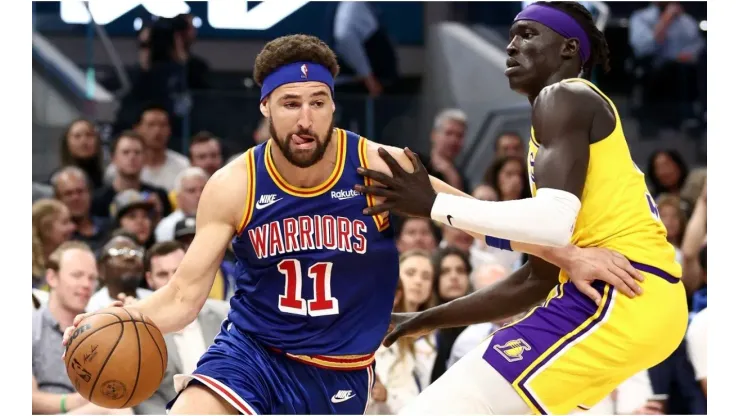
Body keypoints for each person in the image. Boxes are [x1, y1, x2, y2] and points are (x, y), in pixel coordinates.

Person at [63, 33, 642, 415]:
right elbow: (185, 296)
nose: (306, 118)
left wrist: (569, 256)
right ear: (265, 107)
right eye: (290, 103)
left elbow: (473, 216)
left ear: (334, 104)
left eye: (318, 101)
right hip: (253, 353)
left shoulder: (374, 164)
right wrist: (115, 317)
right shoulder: (234, 184)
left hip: (339, 373)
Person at [356, 2, 687, 414]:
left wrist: (434, 205)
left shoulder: (564, 95)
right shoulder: (557, 127)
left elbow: (549, 224)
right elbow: (536, 278)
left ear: (568, 48)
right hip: (633, 300)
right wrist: (421, 320)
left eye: (528, 35)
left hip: (622, 296)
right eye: (511, 35)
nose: (511, 46)